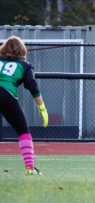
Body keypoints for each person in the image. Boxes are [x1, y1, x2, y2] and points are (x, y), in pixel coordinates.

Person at [0, 36, 48, 175]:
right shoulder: (24, 65)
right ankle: (29, 167)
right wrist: (42, 108)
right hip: (6, 94)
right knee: (23, 132)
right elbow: (32, 86)